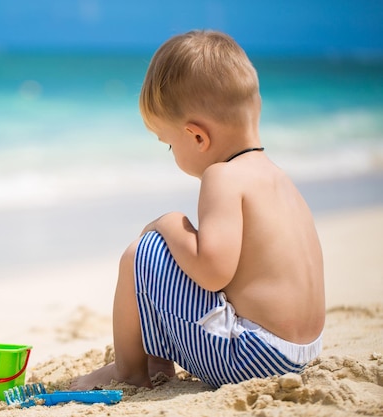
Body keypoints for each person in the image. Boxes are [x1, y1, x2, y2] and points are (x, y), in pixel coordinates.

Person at [71, 30, 325, 390]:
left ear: (197, 137)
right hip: (300, 352)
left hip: (255, 358)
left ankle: (128, 372)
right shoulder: (278, 179)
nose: (172, 153)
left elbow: (212, 272)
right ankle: (157, 362)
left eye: (169, 145)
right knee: (172, 264)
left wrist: (169, 222)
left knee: (141, 255)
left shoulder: (222, 177)